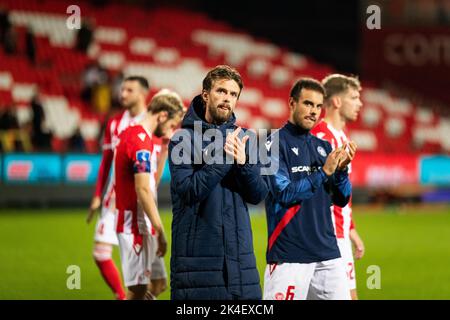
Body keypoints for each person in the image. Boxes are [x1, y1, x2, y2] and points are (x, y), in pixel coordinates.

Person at [168, 65, 268, 300]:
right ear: (206, 95)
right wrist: (225, 159)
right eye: (221, 91)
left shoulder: (245, 139)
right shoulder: (182, 139)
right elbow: (189, 192)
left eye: (233, 95)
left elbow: (258, 195)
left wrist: (243, 163)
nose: (227, 99)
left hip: (241, 266)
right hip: (197, 264)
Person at [263, 78, 357, 300]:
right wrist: (323, 173)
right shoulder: (271, 144)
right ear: (292, 103)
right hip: (290, 255)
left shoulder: (323, 147)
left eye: (317, 106)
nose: (313, 111)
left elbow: (340, 199)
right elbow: (284, 194)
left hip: (328, 254)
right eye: (307, 104)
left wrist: (341, 172)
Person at [86, 77, 170, 299]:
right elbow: (106, 161)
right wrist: (97, 195)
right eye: (122, 89)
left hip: (139, 205)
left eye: (128, 90)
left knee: (158, 284)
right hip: (114, 202)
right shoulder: (114, 124)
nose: (122, 94)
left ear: (143, 94)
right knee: (101, 253)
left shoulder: (153, 125)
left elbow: (153, 171)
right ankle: (122, 295)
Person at [114, 87, 185, 300]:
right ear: (162, 115)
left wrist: (163, 149)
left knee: (158, 283)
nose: (172, 131)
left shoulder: (134, 135)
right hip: (136, 225)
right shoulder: (141, 144)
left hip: (141, 223)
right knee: (136, 292)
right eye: (172, 125)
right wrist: (160, 230)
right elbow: (143, 190)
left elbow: (150, 183)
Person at [311, 74, 365, 300]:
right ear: (337, 101)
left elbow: (341, 193)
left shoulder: (341, 136)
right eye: (354, 97)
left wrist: (351, 228)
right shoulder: (321, 138)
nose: (360, 103)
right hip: (327, 238)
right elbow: (316, 190)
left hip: (340, 234)